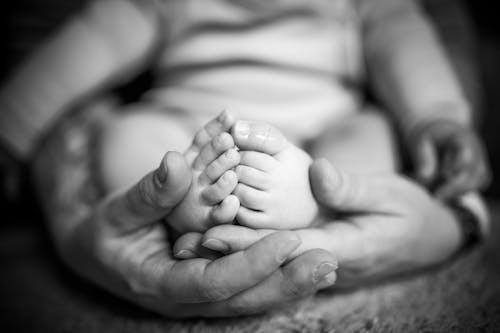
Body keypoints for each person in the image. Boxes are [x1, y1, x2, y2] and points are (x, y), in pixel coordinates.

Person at [0, 0, 491, 317]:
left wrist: (436, 118)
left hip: (321, 133)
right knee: (128, 136)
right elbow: (91, 43)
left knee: (371, 136)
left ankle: (308, 204)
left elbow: (401, 38)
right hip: (195, 133)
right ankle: (184, 203)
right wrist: (12, 127)